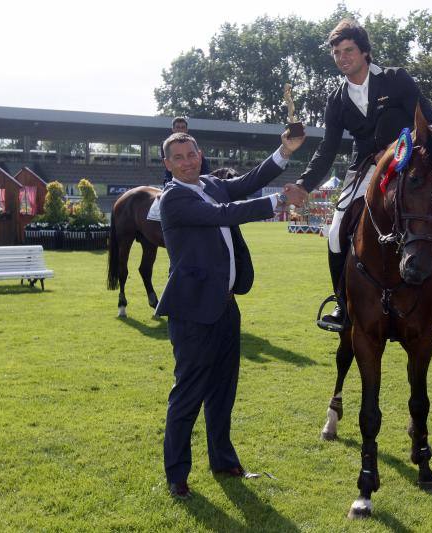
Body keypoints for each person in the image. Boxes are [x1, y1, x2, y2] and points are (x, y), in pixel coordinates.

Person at [285, 19, 432, 331]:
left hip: (408, 163)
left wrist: (402, 150)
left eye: (348, 50)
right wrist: (304, 184)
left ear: (365, 52)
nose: (342, 57)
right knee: (336, 230)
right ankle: (340, 302)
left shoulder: (396, 79)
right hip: (364, 168)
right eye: (336, 52)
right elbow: (328, 147)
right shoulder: (336, 99)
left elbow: (428, 123)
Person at [155, 130, 308, 499]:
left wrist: (285, 152)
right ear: (168, 164)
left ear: (200, 154)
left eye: (191, 154)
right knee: (188, 394)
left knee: (223, 391)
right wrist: (280, 202)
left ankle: (223, 461)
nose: (187, 161)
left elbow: (251, 181)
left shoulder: (211, 183)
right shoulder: (173, 198)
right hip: (193, 312)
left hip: (225, 306)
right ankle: (176, 475)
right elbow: (223, 215)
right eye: (178, 157)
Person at [161, 117, 210, 185]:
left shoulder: (191, 143)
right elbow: (170, 168)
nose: (180, 130)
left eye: (183, 127)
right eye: (178, 127)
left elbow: (204, 168)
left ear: (186, 130)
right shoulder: (167, 145)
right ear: (173, 129)